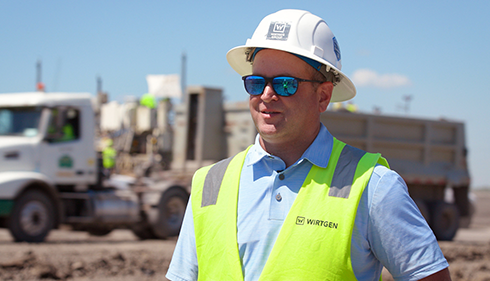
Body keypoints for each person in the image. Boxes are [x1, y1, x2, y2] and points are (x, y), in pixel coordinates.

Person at [166, 9, 451, 281]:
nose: (266, 95)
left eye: (285, 84)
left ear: (323, 96)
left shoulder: (371, 186)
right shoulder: (209, 183)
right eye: (256, 82)